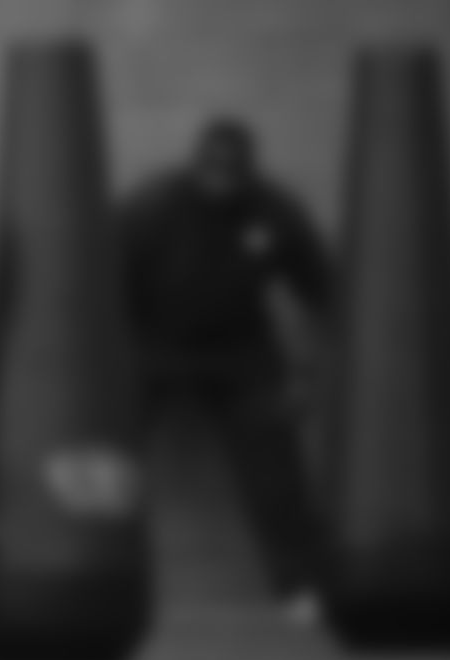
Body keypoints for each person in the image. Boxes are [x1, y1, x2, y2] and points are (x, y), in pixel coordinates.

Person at [117, 118, 333, 622]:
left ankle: (301, 586)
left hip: (241, 352)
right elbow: (104, 282)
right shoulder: (151, 208)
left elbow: (320, 286)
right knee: (108, 457)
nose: (220, 183)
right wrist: (115, 358)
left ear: (247, 173)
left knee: (276, 471)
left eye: (231, 175)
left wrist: (313, 368)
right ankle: (95, 572)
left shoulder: (273, 211)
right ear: (195, 166)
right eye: (211, 172)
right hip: (155, 347)